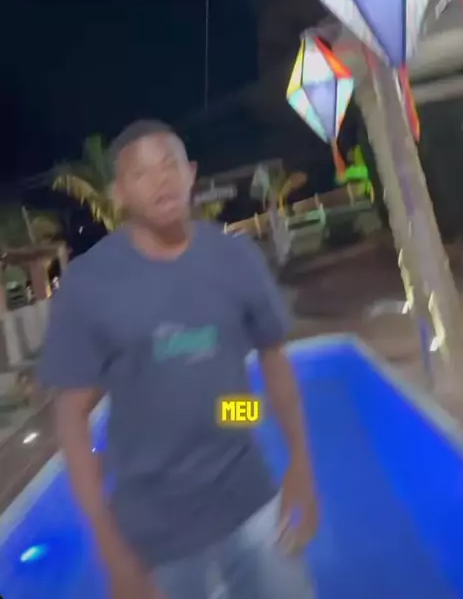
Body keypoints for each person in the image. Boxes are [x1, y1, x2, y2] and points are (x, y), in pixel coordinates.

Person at [39, 120, 318, 599]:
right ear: (119, 194)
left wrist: (301, 465)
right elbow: (71, 419)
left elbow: (274, 360)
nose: (161, 180)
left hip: (250, 503)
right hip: (153, 536)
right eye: (141, 173)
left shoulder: (235, 257)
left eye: (169, 164)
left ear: (191, 173)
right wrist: (111, 551)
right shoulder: (89, 285)